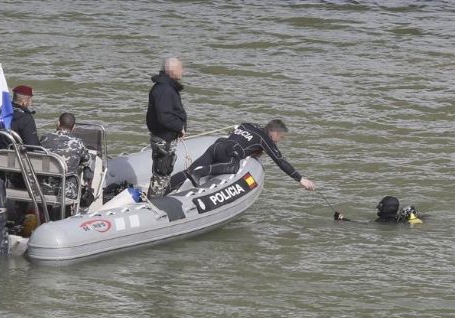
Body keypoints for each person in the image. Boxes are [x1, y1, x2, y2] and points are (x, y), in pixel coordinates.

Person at [170, 120, 316, 191]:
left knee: (187, 172)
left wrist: (255, 151)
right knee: (233, 167)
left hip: (216, 146)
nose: (280, 141)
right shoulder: (264, 138)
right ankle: (200, 172)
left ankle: (162, 189)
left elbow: (241, 136)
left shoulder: (248, 125)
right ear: (274, 133)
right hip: (230, 153)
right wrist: (300, 178)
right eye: (281, 137)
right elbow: (280, 161)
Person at [146, 57, 187, 199]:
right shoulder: (164, 89)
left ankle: (157, 198)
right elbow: (164, 117)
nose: (183, 71)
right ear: (173, 70)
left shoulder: (166, 87)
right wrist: (180, 127)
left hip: (166, 136)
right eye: (181, 68)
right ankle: (155, 202)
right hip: (164, 138)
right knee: (162, 171)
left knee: (163, 171)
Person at [39, 112, 93, 204]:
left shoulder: (44, 138)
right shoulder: (78, 143)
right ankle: (87, 191)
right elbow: (87, 162)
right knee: (87, 166)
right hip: (66, 191)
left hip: (41, 188)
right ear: (73, 128)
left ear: (58, 123)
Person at [0, 85, 40, 170]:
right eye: (30, 101)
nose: (31, 104)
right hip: (14, 164)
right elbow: (32, 145)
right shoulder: (25, 118)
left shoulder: (0, 113)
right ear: (24, 101)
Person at [334, 196, 423, 224]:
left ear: (386, 208)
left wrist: (342, 219)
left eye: (381, 207)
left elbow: (362, 225)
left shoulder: (382, 221)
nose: (379, 209)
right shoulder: (400, 218)